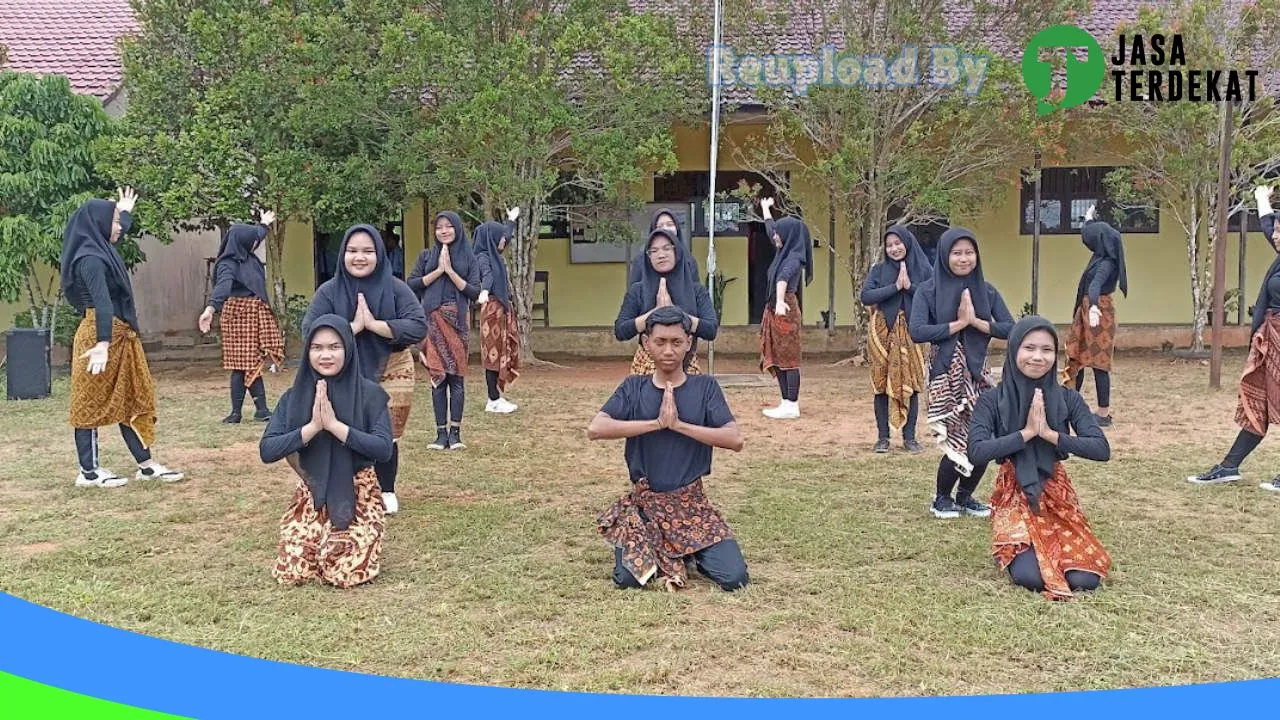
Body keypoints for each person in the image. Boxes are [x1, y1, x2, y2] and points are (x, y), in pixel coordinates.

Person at [590, 306, 749, 592]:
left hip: (692, 507)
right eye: (660, 342)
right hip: (645, 508)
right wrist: (656, 423)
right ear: (646, 344)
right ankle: (667, 549)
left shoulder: (706, 387)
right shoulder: (633, 387)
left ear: (689, 343)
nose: (668, 350)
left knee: (734, 577)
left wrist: (678, 426)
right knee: (629, 580)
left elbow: (734, 439)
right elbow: (597, 428)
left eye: (676, 342)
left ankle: (687, 552)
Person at [969, 316, 1111, 600]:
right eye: (1029, 348)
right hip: (1014, 493)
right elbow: (977, 451)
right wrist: (1025, 434)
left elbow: (1100, 449)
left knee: (1085, 578)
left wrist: (1049, 434)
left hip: (1056, 491)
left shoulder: (1067, 398)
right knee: (1031, 577)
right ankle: (1017, 547)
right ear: (1014, 351)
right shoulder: (992, 400)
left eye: (1046, 350)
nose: (1038, 357)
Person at [61, 188, 185, 487]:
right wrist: (102, 344)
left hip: (119, 335)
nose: (119, 227)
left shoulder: (101, 247)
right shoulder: (90, 259)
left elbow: (118, 229)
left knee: (130, 400)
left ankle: (146, 464)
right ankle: (88, 472)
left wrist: (125, 211)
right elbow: (101, 302)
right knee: (88, 403)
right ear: (99, 224)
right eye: (115, 222)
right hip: (97, 338)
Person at [260, 315, 393, 589]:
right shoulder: (293, 397)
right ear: (308, 351)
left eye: (334, 347)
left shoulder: (370, 394)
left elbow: (383, 449)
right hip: (313, 492)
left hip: (358, 494)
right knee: (293, 572)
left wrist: (335, 426)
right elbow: (267, 450)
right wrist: (311, 428)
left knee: (342, 572)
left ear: (348, 348)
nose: (325, 355)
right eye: (317, 347)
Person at [302, 225, 426, 516]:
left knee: (386, 432)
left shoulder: (396, 288)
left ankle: (387, 489)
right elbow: (309, 330)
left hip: (393, 366)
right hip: (346, 371)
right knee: (344, 429)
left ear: (380, 255)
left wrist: (376, 326)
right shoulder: (329, 292)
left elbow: (418, 325)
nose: (360, 257)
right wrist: (351, 329)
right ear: (343, 253)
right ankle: (343, 487)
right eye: (353, 251)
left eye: (368, 251)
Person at [910, 227, 1014, 519]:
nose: (964, 258)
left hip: (978, 373)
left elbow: (1010, 327)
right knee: (957, 435)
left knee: (984, 436)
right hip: (945, 374)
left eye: (969, 252)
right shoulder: (928, 290)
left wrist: (977, 322)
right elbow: (917, 331)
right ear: (945, 255)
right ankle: (942, 498)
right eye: (957, 253)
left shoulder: (987, 290)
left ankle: (966, 497)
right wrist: (957, 325)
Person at [1190, 185, 1280, 492]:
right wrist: (1261, 200)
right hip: (1270, 338)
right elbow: (1269, 227)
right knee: (1258, 401)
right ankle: (1229, 467)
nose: (1275, 235)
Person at [198, 213, 284, 424]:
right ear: (241, 242)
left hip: (254, 314)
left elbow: (259, 234)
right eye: (251, 241)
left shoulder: (248, 256)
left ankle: (260, 410)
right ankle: (240, 412)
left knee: (252, 361)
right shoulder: (228, 264)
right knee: (242, 364)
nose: (255, 243)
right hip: (238, 317)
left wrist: (264, 223)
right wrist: (210, 309)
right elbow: (223, 287)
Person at [409, 211, 482, 450]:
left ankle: (456, 433)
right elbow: (412, 284)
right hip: (433, 323)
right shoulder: (426, 256)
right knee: (437, 378)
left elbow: (474, 292)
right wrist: (438, 271)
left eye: (449, 226)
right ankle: (440, 434)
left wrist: (450, 271)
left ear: (457, 229)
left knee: (456, 379)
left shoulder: (469, 258)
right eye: (439, 227)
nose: (444, 231)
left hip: (458, 324)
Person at [860, 225, 932, 453]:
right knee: (880, 384)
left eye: (898, 243)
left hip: (915, 332)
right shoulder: (879, 270)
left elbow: (933, 295)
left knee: (913, 382)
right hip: (883, 333)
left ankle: (910, 438)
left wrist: (909, 287)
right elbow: (866, 296)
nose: (894, 248)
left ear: (907, 242)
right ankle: (883, 438)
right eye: (889, 245)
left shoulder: (923, 270)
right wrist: (894, 287)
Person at [614, 227, 718, 375]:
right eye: (654, 251)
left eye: (666, 248)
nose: (661, 255)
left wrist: (678, 315)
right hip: (646, 367)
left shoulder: (696, 291)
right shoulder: (638, 290)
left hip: (686, 364)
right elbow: (620, 330)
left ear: (677, 252)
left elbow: (711, 330)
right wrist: (653, 314)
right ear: (648, 257)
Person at [1061, 205, 1128, 428]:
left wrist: (1093, 308)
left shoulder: (1106, 263)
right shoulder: (1100, 256)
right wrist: (1088, 218)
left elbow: (1095, 285)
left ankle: (1103, 413)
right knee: (1077, 357)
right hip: (1089, 310)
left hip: (1100, 313)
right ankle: (1072, 404)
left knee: (1099, 363)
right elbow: (1089, 231)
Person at [758, 198, 812, 419]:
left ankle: (792, 404)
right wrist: (765, 209)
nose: (775, 237)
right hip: (774, 309)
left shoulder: (794, 257)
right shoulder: (783, 249)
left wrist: (780, 301)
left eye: (779, 234)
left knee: (789, 358)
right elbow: (771, 229)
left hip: (785, 308)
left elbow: (783, 278)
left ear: (788, 235)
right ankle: (785, 402)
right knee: (777, 356)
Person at [474, 208, 522, 414]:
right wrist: (484, 290)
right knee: (493, 354)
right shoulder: (483, 257)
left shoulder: (494, 254)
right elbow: (488, 276)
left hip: (500, 309)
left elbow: (507, 235)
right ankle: (492, 399)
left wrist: (511, 220)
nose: (504, 242)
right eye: (500, 238)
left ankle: (496, 397)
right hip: (492, 309)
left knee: (501, 350)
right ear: (491, 239)